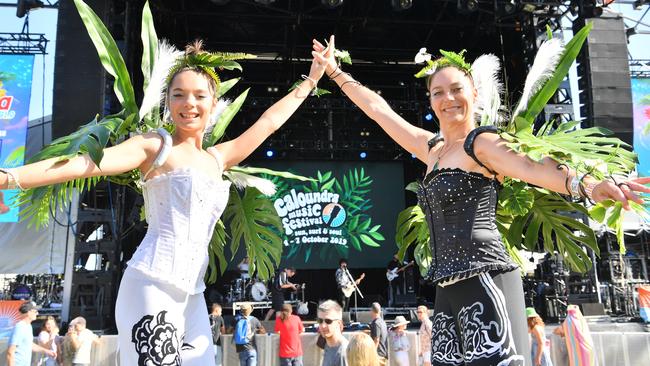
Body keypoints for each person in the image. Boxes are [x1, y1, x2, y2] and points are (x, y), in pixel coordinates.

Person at [313, 36, 650, 365]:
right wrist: (335, 73)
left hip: (487, 278)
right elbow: (378, 111)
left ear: (474, 93)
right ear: (430, 101)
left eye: (457, 89)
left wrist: (589, 186)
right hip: (447, 288)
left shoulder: (482, 143)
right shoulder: (432, 150)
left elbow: (530, 166)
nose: (449, 99)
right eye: (438, 92)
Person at [0, 40, 330, 365]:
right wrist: (8, 177)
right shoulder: (156, 146)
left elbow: (268, 123)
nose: (189, 103)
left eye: (200, 96)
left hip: (193, 294)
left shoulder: (217, 159)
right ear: (168, 101)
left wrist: (313, 79)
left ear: (214, 104)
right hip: (151, 284)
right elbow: (86, 163)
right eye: (179, 95)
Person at [6, 301, 56, 366]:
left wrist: (47, 351)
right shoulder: (19, 327)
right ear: (29, 313)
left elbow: (29, 344)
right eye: (35, 311)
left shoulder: (28, 326)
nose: (37, 313)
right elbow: (10, 352)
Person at [318, 300, 348, 366]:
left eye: (328, 321)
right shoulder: (328, 345)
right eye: (320, 321)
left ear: (339, 323)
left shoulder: (343, 353)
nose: (323, 326)